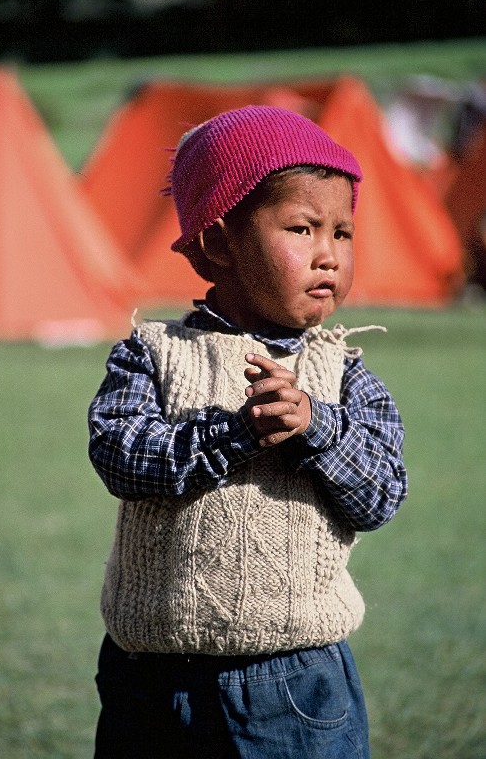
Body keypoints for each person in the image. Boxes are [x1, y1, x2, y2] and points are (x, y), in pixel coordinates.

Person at [87, 105, 408, 759]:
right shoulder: (150, 354)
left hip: (293, 682)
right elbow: (119, 456)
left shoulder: (341, 371)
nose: (328, 254)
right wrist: (235, 434)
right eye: (302, 226)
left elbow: (382, 492)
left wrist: (314, 427)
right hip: (148, 676)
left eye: (342, 233)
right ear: (218, 242)